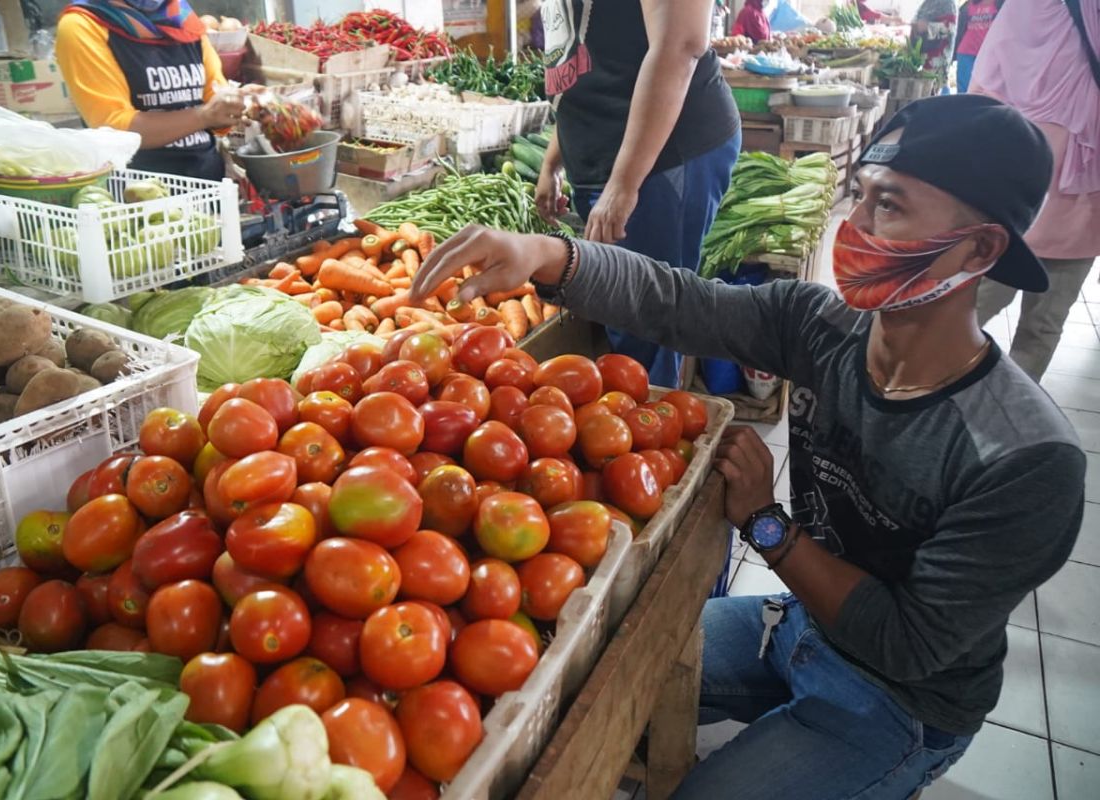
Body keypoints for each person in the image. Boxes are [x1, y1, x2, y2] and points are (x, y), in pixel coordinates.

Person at [409, 94, 1084, 799]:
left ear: (979, 248)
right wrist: (549, 254)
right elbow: (682, 303)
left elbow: (906, 644)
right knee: (567, 674)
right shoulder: (821, 325)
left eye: (890, 205)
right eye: (859, 197)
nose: (851, 228)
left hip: (900, 701)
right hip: (795, 622)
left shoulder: (1025, 459)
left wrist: (768, 525)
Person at [538, 0, 741, 390]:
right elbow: (580, 52)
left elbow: (680, 45)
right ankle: (632, 424)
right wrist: (554, 159)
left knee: (648, 320)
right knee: (621, 311)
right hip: (604, 154)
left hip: (664, 156)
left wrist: (624, 183)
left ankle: (654, 436)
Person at [972, 0, 1100, 382]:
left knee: (969, 311)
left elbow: (985, 96)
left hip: (1028, 198)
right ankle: (999, 418)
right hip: (1062, 201)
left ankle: (930, 404)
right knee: (1037, 327)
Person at [56, 0, 243, 181]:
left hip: (210, 187)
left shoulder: (181, 18)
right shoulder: (82, 25)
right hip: (137, 196)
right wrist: (204, 116)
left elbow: (215, 102)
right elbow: (114, 128)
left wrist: (241, 103)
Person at [954, 0, 1003, 93]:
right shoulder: (967, 6)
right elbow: (959, 29)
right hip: (966, 53)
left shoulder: (1001, 4)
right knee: (965, 92)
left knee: (988, 92)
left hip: (990, 55)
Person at [910, 0, 957, 86]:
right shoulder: (926, 3)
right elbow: (915, 21)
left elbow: (949, 29)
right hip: (920, 59)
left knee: (933, 93)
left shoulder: (948, 3)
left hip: (937, 61)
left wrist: (927, 26)